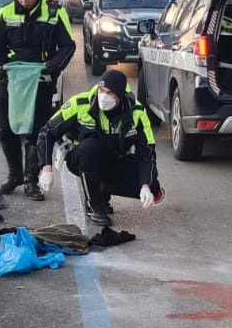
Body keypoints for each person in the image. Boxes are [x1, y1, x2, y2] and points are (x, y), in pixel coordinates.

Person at [35, 69, 164, 227]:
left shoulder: (137, 113)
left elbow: (147, 154)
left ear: (120, 95)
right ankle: (93, 205)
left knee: (153, 187)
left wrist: (145, 185)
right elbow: (46, 132)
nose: (104, 96)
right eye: (101, 90)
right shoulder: (80, 103)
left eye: (109, 93)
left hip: (114, 159)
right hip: (82, 158)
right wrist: (46, 168)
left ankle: (101, 189)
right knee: (90, 146)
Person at [0, 0, 75, 200]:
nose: (24, 2)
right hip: (13, 81)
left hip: (41, 81)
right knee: (6, 129)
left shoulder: (54, 13)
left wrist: (53, 67)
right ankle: (14, 175)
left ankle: (31, 180)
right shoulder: (5, 13)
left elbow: (68, 46)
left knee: (37, 131)